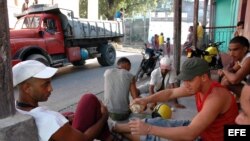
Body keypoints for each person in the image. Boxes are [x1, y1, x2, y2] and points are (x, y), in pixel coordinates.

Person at [112, 57, 238, 141]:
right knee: (155, 121)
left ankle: (117, 133)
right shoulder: (197, 86)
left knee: (152, 135)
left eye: (190, 80)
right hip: (201, 129)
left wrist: (149, 130)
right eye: (185, 80)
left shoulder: (215, 97)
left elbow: (190, 134)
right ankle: (114, 128)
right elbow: (170, 93)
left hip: (206, 137)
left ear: (204, 77)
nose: (186, 84)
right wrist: (146, 100)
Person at [13, 60, 112, 141]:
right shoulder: (49, 119)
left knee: (68, 114)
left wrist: (64, 118)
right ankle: (110, 138)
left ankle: (110, 135)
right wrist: (104, 117)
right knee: (89, 99)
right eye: (45, 84)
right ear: (26, 88)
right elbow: (84, 139)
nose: (50, 89)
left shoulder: (15, 108)